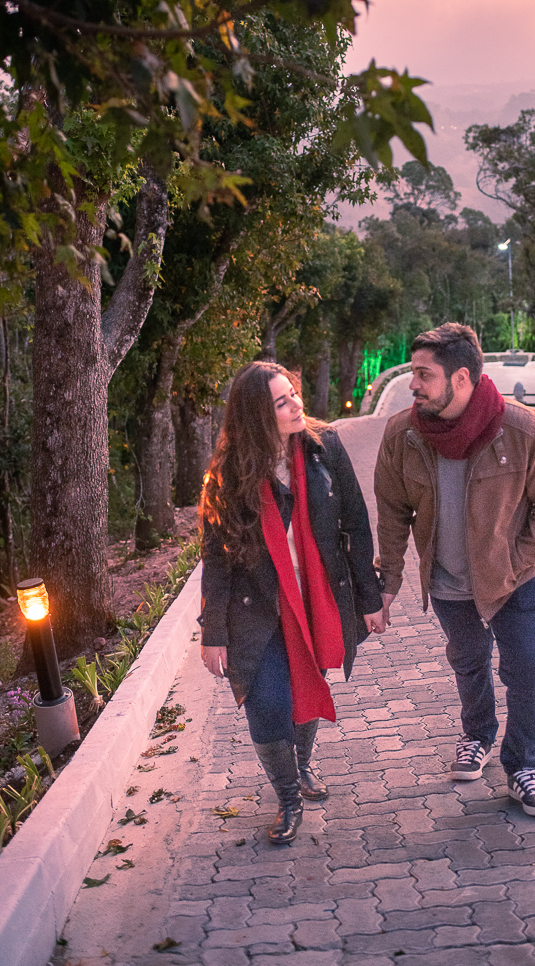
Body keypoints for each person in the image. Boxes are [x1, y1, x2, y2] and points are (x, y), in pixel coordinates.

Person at [374, 324, 535, 816]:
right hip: (448, 580)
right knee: (468, 660)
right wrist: (388, 582)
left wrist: (517, 557)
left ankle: (522, 765)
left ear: (460, 378)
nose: (413, 384)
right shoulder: (403, 435)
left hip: (519, 578)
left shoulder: (522, 429)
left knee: (529, 671)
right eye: (414, 373)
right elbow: (393, 512)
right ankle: (477, 736)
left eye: (424, 374)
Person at [199, 361, 386, 845]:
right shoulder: (230, 473)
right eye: (282, 402)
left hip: (316, 599)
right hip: (257, 609)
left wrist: (369, 597)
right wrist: (213, 632)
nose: (296, 405)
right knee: (266, 703)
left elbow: (355, 523)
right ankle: (288, 798)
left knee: (308, 686)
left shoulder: (325, 447)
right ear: (259, 415)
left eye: (294, 394)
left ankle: (301, 766)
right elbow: (216, 558)